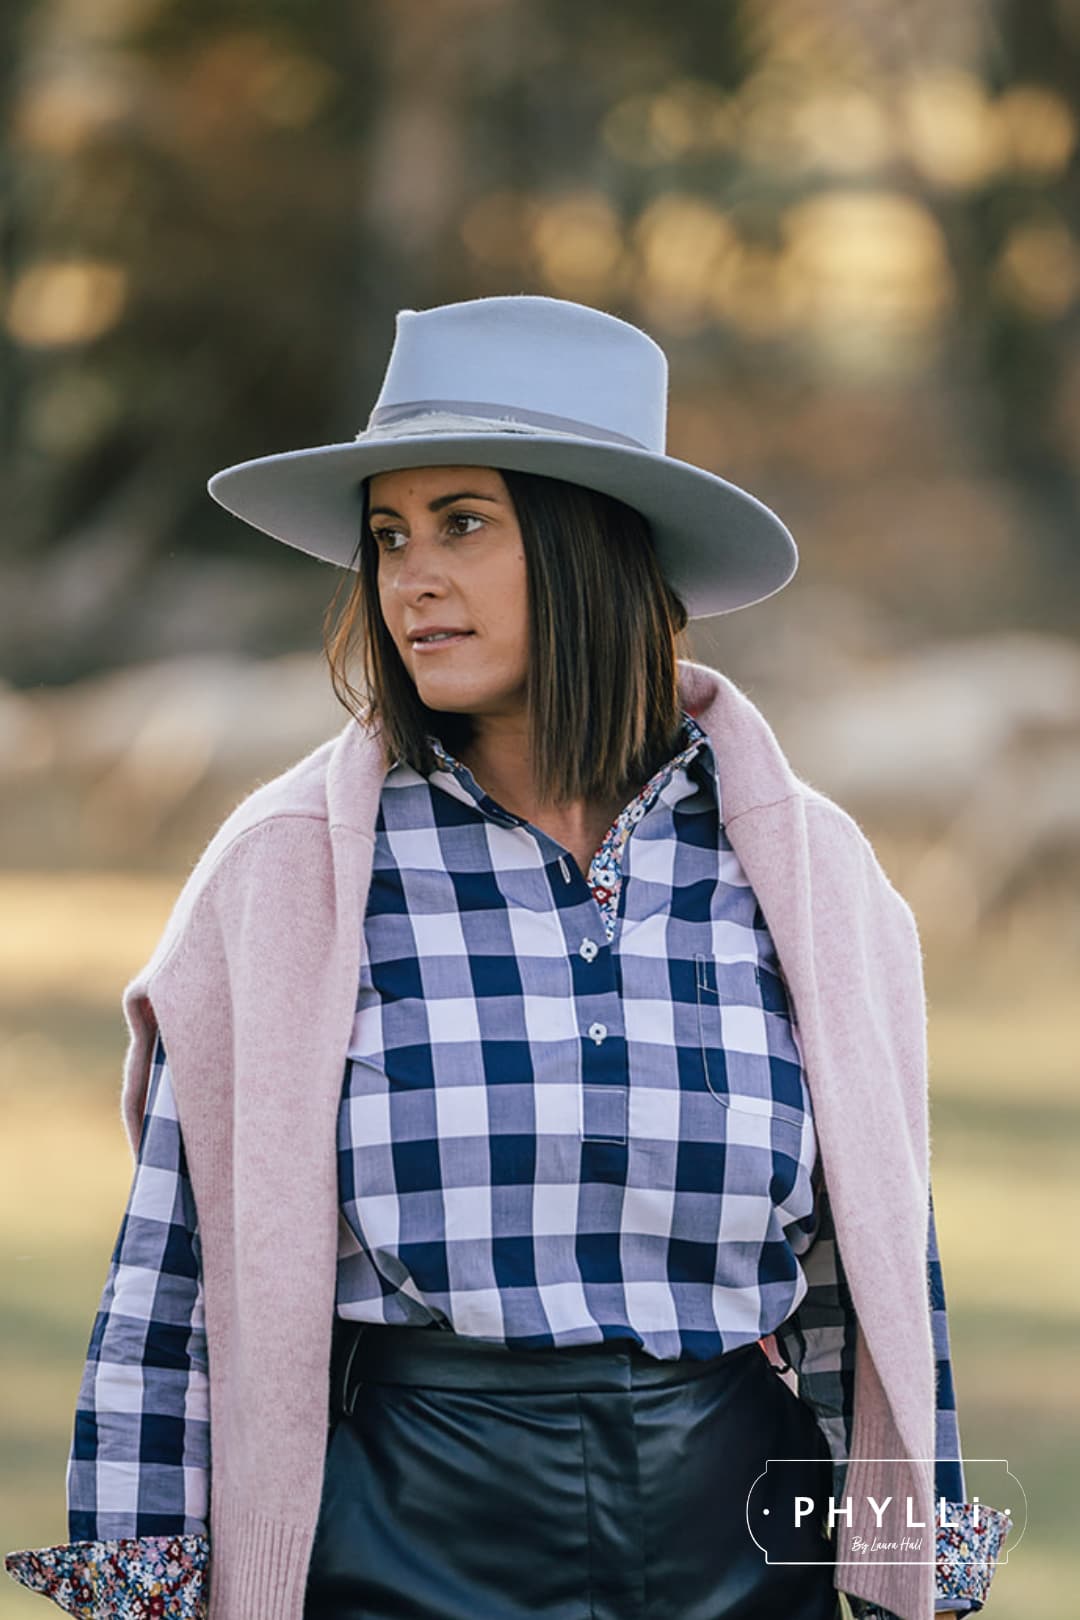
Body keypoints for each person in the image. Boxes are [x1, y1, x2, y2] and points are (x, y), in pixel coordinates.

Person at [5, 295, 1010, 1620]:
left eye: (463, 523)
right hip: (401, 1539)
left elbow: (873, 1296)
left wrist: (904, 1579)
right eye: (388, 535)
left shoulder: (815, 881)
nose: (410, 576)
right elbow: (168, 1299)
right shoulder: (287, 873)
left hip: (738, 1538)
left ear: (597, 543)